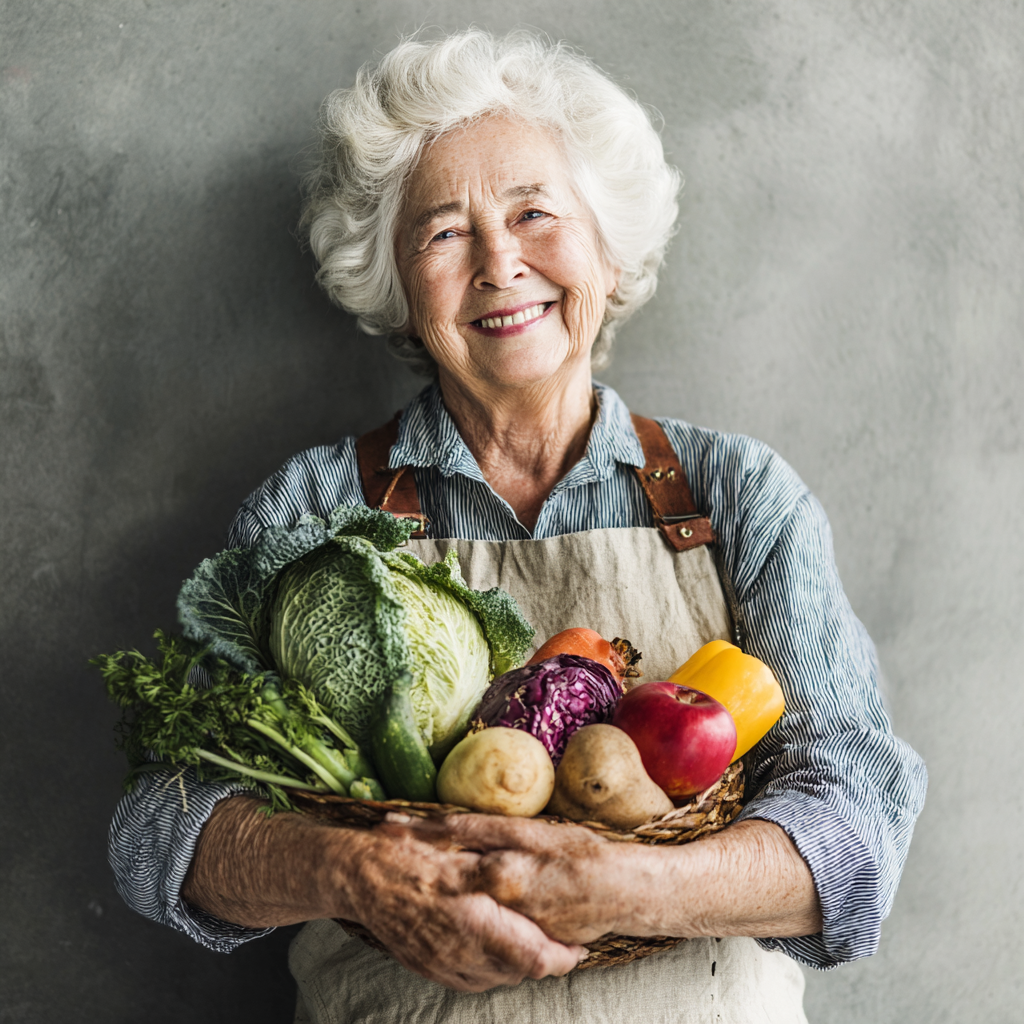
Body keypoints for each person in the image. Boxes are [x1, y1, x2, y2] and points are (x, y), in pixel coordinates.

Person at [109, 30, 927, 1022]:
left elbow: (857, 815)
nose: (501, 263)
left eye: (535, 213)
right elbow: (163, 828)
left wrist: (632, 887)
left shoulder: (734, 494)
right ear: (400, 285)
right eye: (443, 233)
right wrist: (352, 873)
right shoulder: (311, 510)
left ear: (606, 246)